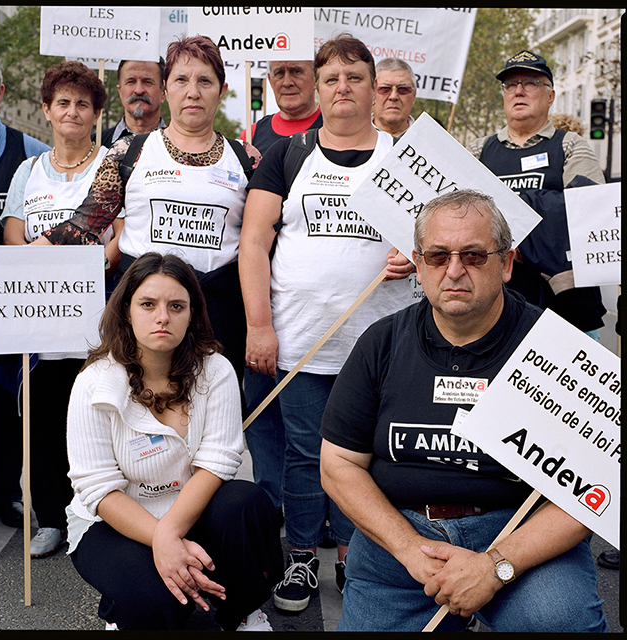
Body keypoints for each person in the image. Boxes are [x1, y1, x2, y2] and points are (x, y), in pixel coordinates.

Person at [320, 189, 609, 632]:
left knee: (558, 621)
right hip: (400, 539)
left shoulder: (557, 349)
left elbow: (592, 491)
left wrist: (496, 565)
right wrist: (410, 550)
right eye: (437, 256)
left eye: (474, 256)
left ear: (507, 263)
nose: (454, 270)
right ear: (418, 263)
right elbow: (339, 463)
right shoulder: (380, 344)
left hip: (521, 542)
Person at [239, 33, 415, 613]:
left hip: (381, 345)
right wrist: (260, 327)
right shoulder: (293, 156)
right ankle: (302, 559)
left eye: (355, 78)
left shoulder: (407, 163)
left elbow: (441, 241)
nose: (343, 88)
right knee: (303, 453)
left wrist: (418, 256)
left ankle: (356, 557)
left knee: (368, 454)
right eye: (332, 78)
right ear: (319, 89)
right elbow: (254, 242)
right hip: (302, 341)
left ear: (372, 89)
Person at [66, 252, 283, 631]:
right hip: (115, 522)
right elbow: (98, 488)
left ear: (192, 314)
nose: (162, 316)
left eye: (176, 306)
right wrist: (161, 539)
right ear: (126, 311)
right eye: (148, 304)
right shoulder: (93, 381)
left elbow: (217, 461)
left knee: (247, 504)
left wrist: (170, 533)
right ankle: (125, 611)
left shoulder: (215, 370)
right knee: (153, 599)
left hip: (190, 508)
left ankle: (242, 613)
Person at [32, 36, 260, 391]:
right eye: (181, 80)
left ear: (222, 89)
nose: (193, 92)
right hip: (142, 315)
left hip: (217, 318)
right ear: (166, 89)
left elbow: (264, 241)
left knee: (207, 420)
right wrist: (16, 260)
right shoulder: (130, 152)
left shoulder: (247, 159)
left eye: (205, 81)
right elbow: (85, 224)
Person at [0, 60, 122, 558]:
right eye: (63, 102)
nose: (73, 111)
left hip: (94, 320)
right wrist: (42, 262)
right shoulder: (29, 171)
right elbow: (12, 235)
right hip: (40, 323)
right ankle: (51, 517)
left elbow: (119, 239)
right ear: (47, 110)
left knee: (98, 421)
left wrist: (89, 265)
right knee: (44, 421)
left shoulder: (109, 166)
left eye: (84, 104)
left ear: (96, 113)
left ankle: (95, 514)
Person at [466, 50, 606, 340]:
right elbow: (461, 217)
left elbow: (585, 217)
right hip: (492, 313)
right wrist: (543, 206)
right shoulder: (478, 150)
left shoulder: (571, 146)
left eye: (530, 82)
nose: (518, 91)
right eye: (510, 84)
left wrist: (503, 223)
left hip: (566, 313)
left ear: (550, 96)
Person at [239, 59, 323, 530]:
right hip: (268, 310)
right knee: (267, 422)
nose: (287, 81)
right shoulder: (257, 135)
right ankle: (274, 513)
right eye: (278, 74)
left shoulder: (340, 133)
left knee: (316, 437)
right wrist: (258, 322)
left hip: (327, 322)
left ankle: (324, 520)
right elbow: (252, 234)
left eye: (299, 72)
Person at [0, 56, 50, 529]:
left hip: (8, 298)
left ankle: (6, 490)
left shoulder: (27, 151)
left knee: (5, 395)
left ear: (2, 92)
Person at [239, 60, 322, 154]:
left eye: (296, 72)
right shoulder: (251, 136)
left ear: (316, 78)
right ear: (270, 81)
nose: (287, 83)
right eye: (279, 73)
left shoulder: (335, 130)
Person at [98, 58, 166, 148]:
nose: (138, 90)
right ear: (120, 92)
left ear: (163, 93)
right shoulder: (96, 145)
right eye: (131, 82)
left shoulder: (181, 147)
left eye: (148, 82)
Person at [372, 57, 417, 139]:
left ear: (414, 95)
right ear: (372, 93)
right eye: (385, 89)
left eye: (403, 89)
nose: (393, 96)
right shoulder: (351, 136)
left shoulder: (429, 141)